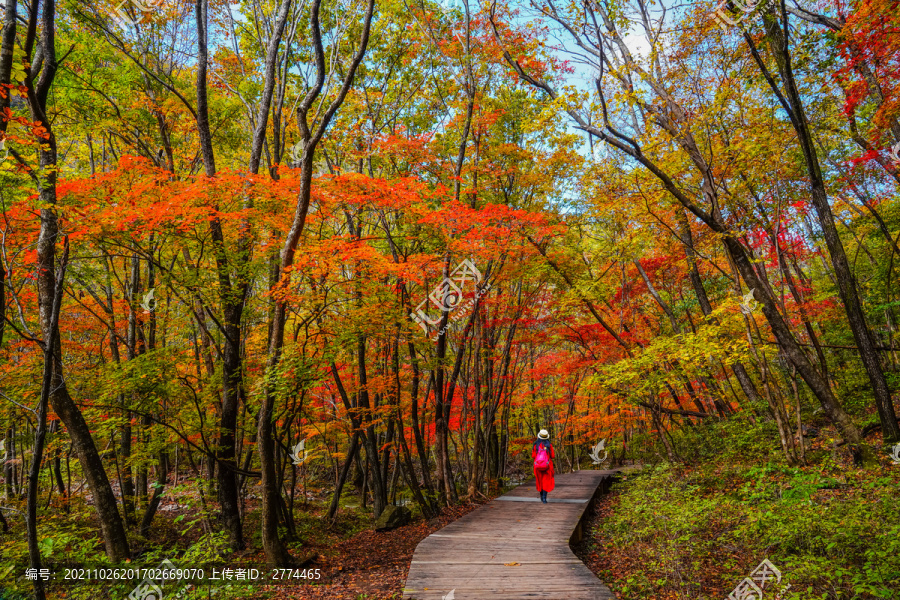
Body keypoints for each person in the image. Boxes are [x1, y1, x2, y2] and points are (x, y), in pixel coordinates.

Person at [532, 429, 555, 503]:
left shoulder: (535, 445)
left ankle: (541, 496)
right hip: (547, 466)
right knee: (546, 482)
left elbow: (533, 456)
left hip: (538, 466)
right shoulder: (549, 445)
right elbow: (553, 456)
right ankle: (544, 498)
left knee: (540, 481)